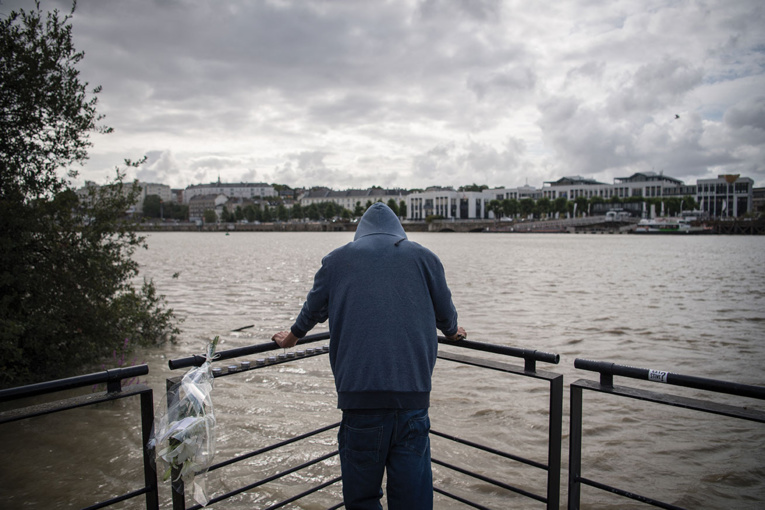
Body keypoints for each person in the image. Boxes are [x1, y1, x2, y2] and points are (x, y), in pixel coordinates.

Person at [272, 202, 466, 510]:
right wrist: (454, 332)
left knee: (362, 499)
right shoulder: (426, 258)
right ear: (398, 230)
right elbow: (446, 315)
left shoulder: (336, 261)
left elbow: (311, 311)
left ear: (360, 233)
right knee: (413, 500)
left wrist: (291, 339)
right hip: (412, 400)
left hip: (360, 401)